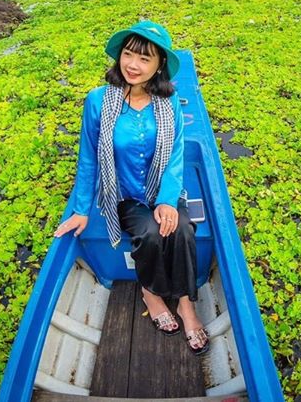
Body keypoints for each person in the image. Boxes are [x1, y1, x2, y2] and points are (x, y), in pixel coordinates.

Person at [53, 20, 209, 355]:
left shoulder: (168, 104)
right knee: (151, 234)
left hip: (160, 188)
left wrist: (168, 200)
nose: (133, 65)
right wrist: (81, 210)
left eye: (145, 59)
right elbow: (88, 159)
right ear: (119, 56)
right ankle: (151, 293)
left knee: (182, 228)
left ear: (159, 66)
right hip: (123, 194)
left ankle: (185, 303)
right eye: (128, 55)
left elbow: (175, 159)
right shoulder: (98, 101)